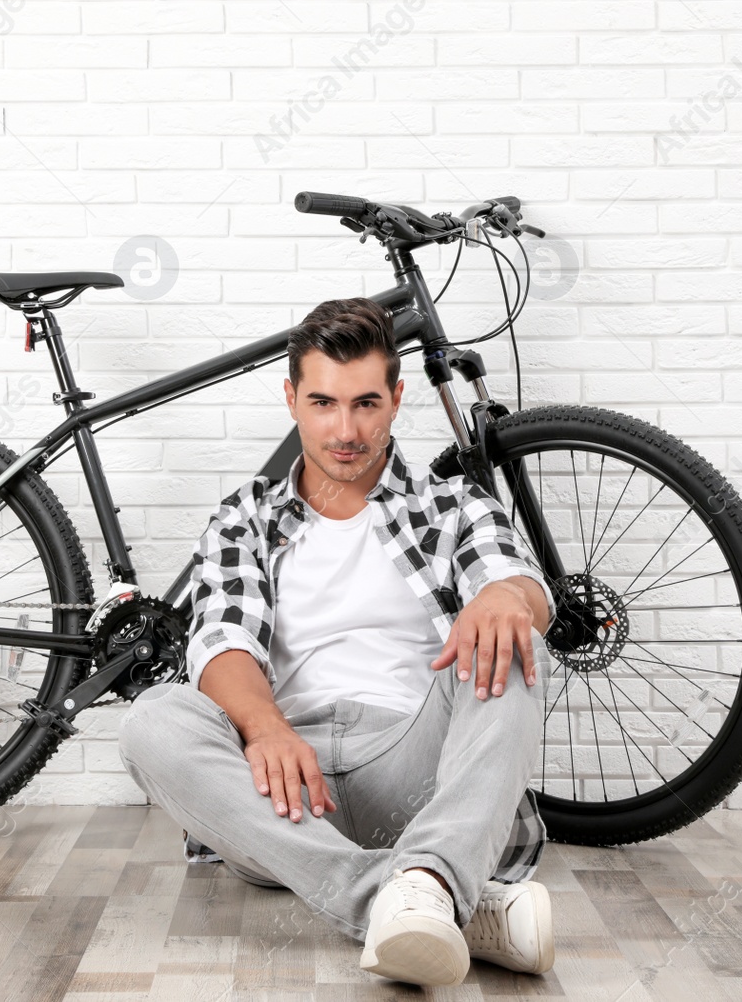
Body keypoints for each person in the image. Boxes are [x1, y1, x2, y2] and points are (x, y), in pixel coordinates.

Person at [118, 298, 558, 987]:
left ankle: (422, 879)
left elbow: (514, 578)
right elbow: (221, 637)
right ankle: (425, 892)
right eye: (323, 402)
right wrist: (264, 729)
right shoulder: (246, 517)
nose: (345, 429)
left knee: (513, 644)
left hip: (412, 773)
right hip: (284, 791)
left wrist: (506, 598)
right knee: (151, 717)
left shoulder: (451, 505)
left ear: (396, 400)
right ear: (292, 397)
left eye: (365, 404)